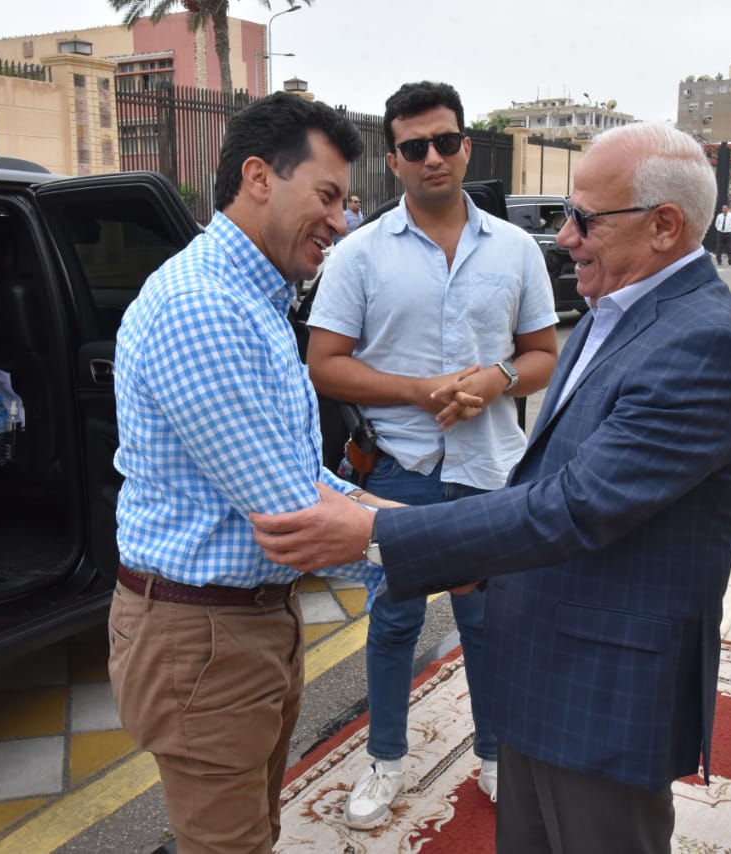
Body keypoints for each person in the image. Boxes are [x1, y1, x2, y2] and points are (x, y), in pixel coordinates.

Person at [252, 122, 731, 854]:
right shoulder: (617, 308)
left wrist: (375, 533)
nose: (567, 237)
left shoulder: (699, 342)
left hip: (603, 685)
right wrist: (414, 526)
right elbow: (554, 483)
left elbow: (577, 506)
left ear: (663, 226)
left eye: (586, 219)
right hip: (545, 665)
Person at [106, 92, 383, 854]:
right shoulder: (202, 307)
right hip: (205, 639)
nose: (340, 221)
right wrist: (445, 549)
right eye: (327, 196)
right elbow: (295, 513)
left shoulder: (253, 300)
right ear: (259, 177)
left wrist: (427, 532)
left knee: (254, 832)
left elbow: (304, 477)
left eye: (344, 202)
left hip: (246, 623)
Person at [306, 79, 557, 828]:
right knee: (393, 621)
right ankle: (385, 759)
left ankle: (497, 754)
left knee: (489, 621)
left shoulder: (514, 249)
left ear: (466, 146)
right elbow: (324, 364)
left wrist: (496, 378)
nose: (432, 158)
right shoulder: (358, 255)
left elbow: (543, 355)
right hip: (399, 470)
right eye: (414, 148)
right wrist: (418, 392)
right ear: (394, 160)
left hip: (489, 470)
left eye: (445, 142)